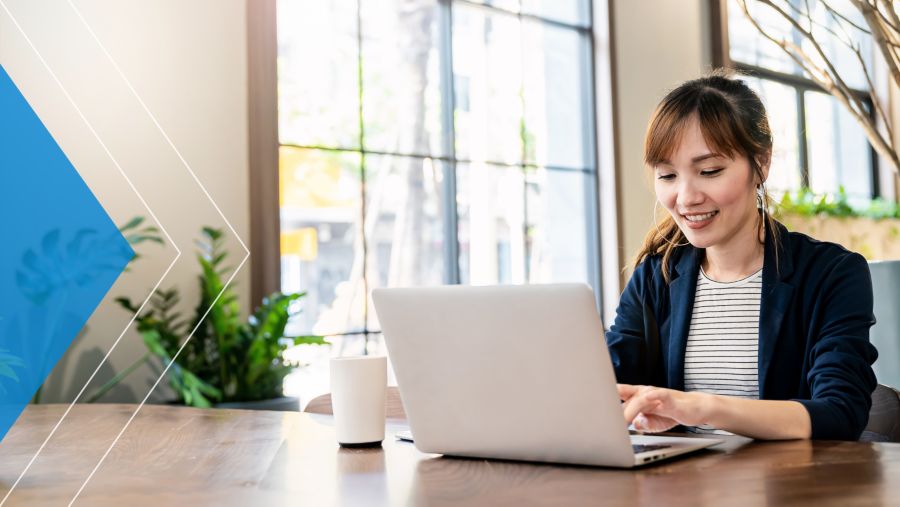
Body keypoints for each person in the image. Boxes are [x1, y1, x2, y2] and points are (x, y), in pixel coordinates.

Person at [607, 69, 878, 441]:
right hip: (681, 489)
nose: (685, 198)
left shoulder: (832, 273)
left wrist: (699, 406)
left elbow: (840, 411)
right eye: (667, 176)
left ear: (761, 164)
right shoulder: (657, 276)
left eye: (709, 170)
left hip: (788, 490)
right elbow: (606, 381)